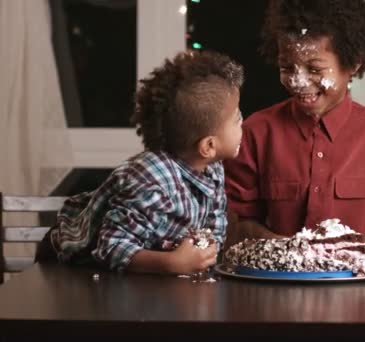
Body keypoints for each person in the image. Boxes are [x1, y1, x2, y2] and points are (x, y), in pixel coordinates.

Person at [224, 0, 365, 251]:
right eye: (287, 67)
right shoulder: (256, 133)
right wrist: (295, 251)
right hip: (277, 285)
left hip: (360, 285)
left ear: (353, 64)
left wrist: (345, 252)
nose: (298, 81)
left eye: (314, 69)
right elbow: (240, 226)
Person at [40, 50, 244, 274]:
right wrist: (173, 263)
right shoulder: (152, 178)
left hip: (139, 273)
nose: (243, 124)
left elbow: (214, 227)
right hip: (68, 265)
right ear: (208, 146)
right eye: (237, 119)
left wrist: (205, 252)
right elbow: (112, 247)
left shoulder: (212, 168)